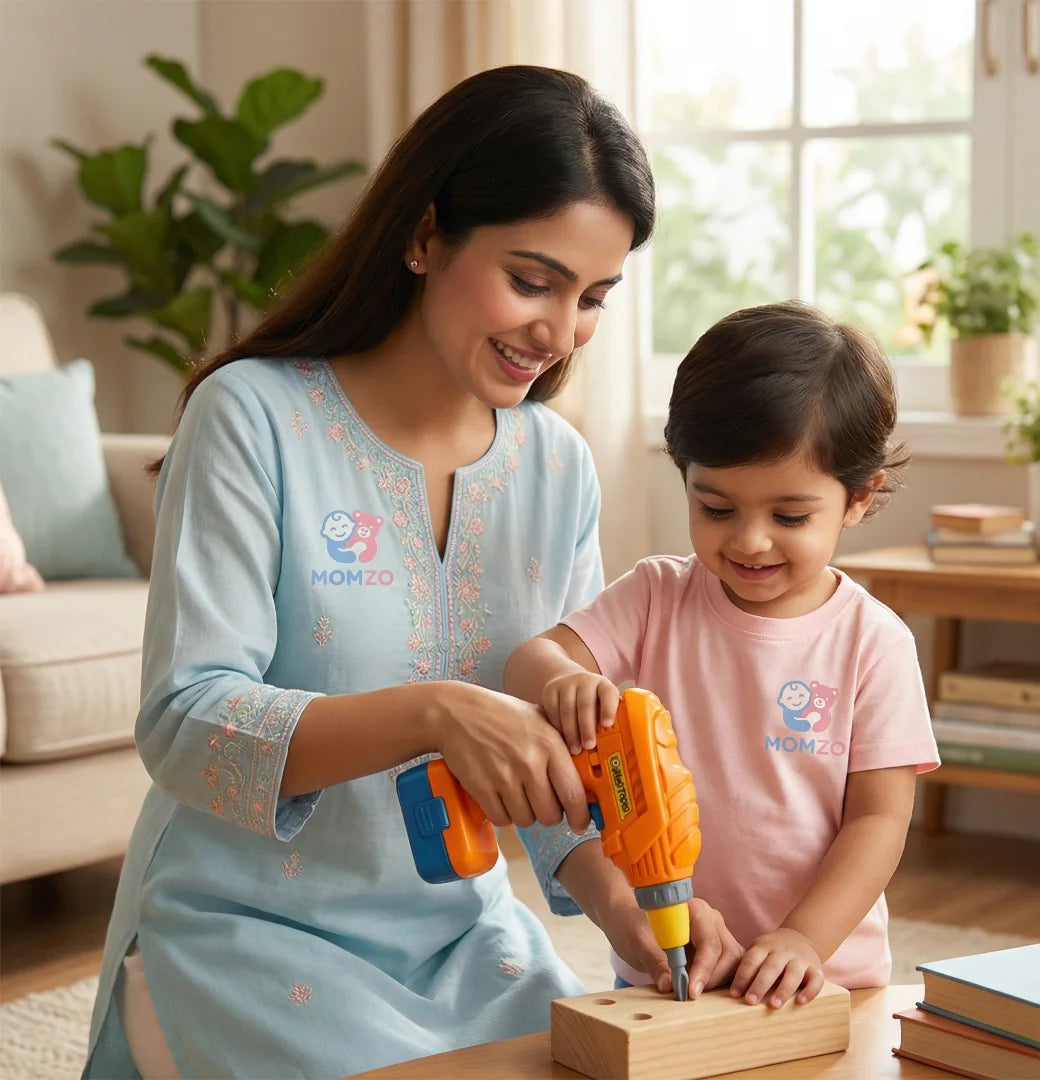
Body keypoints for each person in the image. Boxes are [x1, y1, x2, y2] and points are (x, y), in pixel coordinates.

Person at [83, 64, 654, 1079]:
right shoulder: (251, 417)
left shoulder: (558, 466)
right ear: (425, 234)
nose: (560, 332)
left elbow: (557, 757)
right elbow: (184, 723)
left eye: (593, 298)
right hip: (245, 931)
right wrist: (436, 712)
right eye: (533, 281)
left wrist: (634, 914)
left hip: (463, 940)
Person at [505, 302, 941, 1010]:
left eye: (789, 516)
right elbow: (532, 658)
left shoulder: (875, 641)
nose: (749, 541)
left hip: (820, 978)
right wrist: (561, 679)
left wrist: (804, 939)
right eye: (715, 508)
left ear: (858, 499)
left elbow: (879, 821)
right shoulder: (655, 595)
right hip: (669, 963)